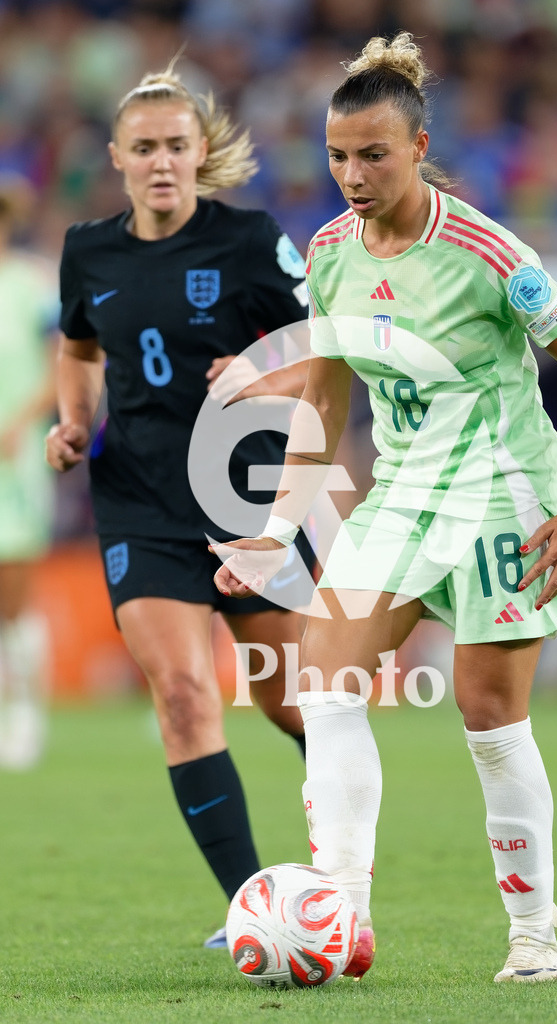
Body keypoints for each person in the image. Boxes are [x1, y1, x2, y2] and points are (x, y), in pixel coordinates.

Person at [213, 32, 557, 983]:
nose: (353, 174)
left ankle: (530, 932)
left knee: (488, 718)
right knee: (325, 683)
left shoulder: (486, 251)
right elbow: (325, 397)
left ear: (420, 145)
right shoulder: (330, 254)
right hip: (401, 495)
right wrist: (276, 530)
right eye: (338, 157)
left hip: (499, 496)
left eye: (374, 155)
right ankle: (341, 912)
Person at [45, 60, 311, 947]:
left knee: (293, 705)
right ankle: (253, 906)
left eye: (177, 146)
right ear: (117, 158)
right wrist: (73, 421)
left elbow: (329, 351)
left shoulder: (249, 242)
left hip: (249, 496)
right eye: (145, 148)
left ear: (203, 153)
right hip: (139, 501)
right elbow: (79, 349)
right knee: (186, 697)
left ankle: (342, 865)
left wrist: (260, 368)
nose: (162, 161)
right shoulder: (89, 250)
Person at [0, 180, 57, 770]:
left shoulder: (32, 286)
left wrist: (18, 423)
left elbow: (58, 372)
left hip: (12, 463)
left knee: (14, 591)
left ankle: (26, 715)